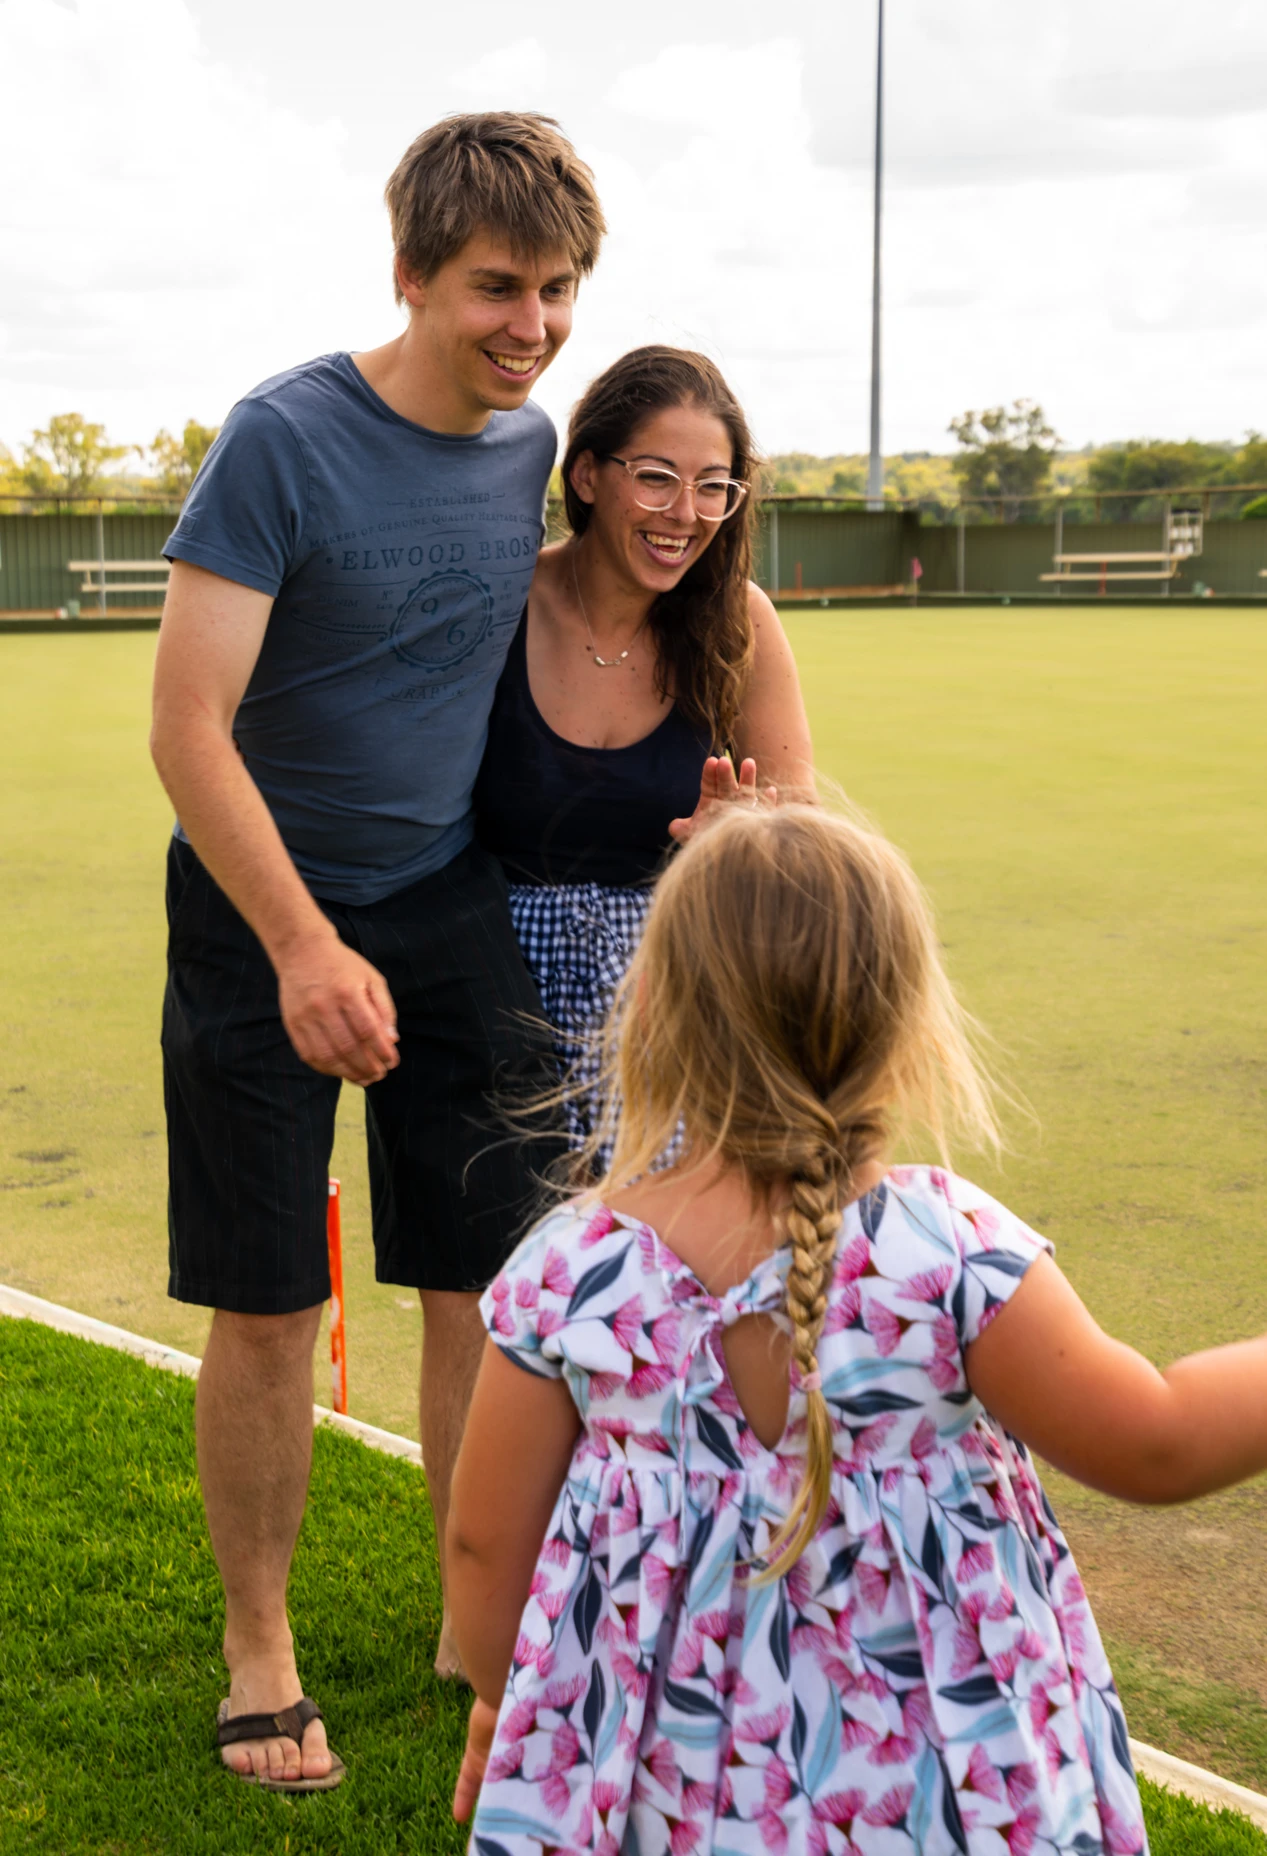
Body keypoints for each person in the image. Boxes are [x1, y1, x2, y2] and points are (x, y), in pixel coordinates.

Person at [446, 803, 1267, 1852]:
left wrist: (499, 1695)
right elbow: (1159, 1438)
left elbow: (481, 1543)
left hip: (662, 1788)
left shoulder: (570, 1270)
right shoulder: (947, 1256)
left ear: (647, 1009)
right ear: (904, 1021)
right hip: (927, 1795)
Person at [149, 111, 605, 1790]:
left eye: (556, 291)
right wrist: (297, 945)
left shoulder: (528, 439)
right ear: (410, 273)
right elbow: (188, 729)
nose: (532, 325)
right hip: (258, 909)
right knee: (271, 1301)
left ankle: (473, 1618)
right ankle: (257, 1652)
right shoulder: (280, 436)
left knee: (484, 1289)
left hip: (445, 896)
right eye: (497, 286)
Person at [473, 345, 814, 1150]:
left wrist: (737, 843)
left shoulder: (742, 622)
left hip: (678, 1016)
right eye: (657, 477)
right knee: (503, 1271)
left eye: (713, 487)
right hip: (487, 1012)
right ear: (587, 476)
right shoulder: (498, 600)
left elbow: (801, 839)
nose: (686, 514)